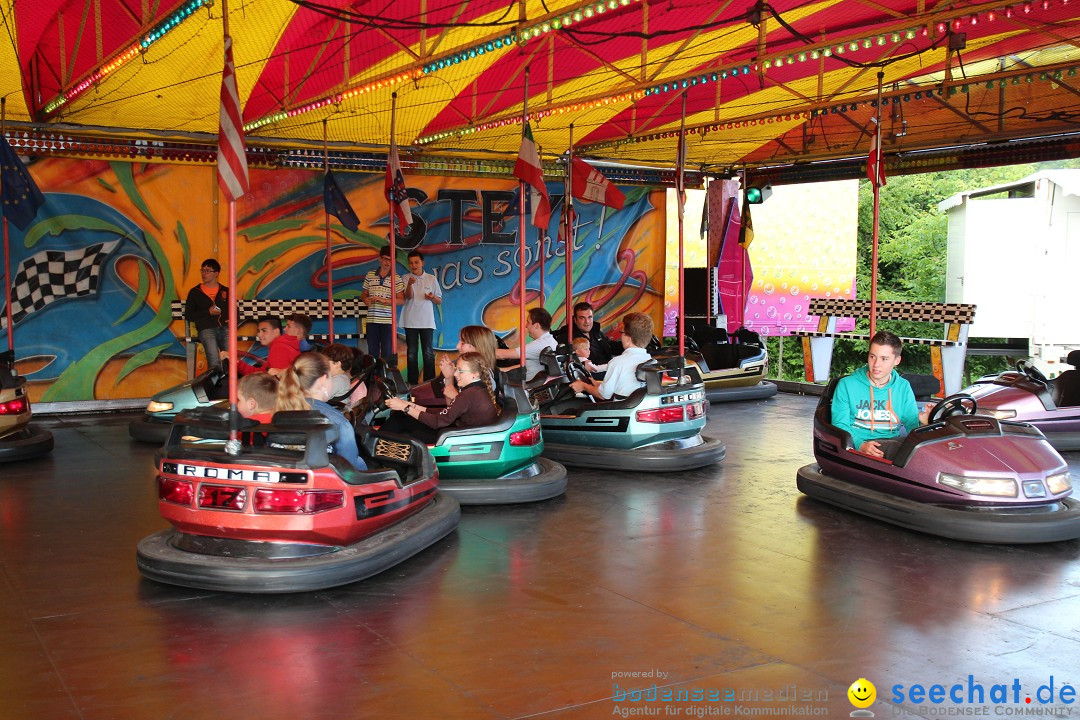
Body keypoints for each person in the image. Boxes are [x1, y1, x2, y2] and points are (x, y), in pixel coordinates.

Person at [831, 331, 932, 460]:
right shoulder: (847, 384)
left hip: (892, 441)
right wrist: (859, 444)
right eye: (873, 356)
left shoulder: (903, 386)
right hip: (861, 445)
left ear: (897, 360)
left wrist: (924, 424)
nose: (876, 364)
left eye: (884, 359)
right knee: (906, 452)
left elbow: (911, 423)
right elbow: (840, 424)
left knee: (924, 449)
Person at [384, 352, 499, 444]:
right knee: (403, 417)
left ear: (475, 374)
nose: (455, 374)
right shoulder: (477, 390)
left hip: (458, 438)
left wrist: (405, 407)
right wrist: (410, 405)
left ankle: (376, 454)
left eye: (460, 371)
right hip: (459, 432)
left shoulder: (470, 394)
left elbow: (438, 421)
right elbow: (446, 413)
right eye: (456, 370)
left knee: (402, 421)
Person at [276, 352, 366, 470]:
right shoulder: (338, 422)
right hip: (326, 484)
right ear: (323, 380)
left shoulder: (280, 413)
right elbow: (350, 470)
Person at [571, 312, 653, 401]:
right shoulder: (650, 361)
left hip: (620, 411)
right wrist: (597, 385)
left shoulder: (618, 362)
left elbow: (603, 395)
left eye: (622, 332)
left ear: (628, 339)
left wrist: (583, 386)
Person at [401, 250, 442, 385]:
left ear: (422, 263)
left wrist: (432, 297)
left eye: (416, 262)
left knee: (428, 352)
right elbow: (408, 296)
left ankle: (429, 383)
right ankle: (412, 383)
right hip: (410, 320)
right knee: (412, 353)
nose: (413, 265)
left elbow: (439, 300)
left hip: (427, 320)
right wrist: (410, 284)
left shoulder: (431, 278)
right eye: (411, 263)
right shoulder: (406, 277)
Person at [361, 245, 405, 362]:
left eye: (390, 259)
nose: (387, 262)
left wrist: (384, 301)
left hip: (388, 321)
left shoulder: (396, 278)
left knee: (387, 352)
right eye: (385, 258)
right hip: (372, 320)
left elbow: (401, 300)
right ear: (379, 258)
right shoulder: (370, 275)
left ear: (394, 261)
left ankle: (385, 378)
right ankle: (373, 379)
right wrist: (365, 299)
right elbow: (364, 294)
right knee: (372, 352)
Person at [220, 315, 301, 377]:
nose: (259, 334)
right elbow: (260, 373)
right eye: (258, 331)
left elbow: (275, 382)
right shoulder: (279, 346)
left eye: (264, 331)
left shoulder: (279, 348)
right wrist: (237, 362)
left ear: (276, 331)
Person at [185, 259, 229, 371]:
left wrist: (232, 321)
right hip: (206, 328)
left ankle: (231, 385)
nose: (204, 273)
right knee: (214, 360)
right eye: (202, 270)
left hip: (225, 327)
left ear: (216, 273)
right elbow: (189, 315)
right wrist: (207, 312)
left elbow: (235, 310)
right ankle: (216, 385)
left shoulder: (225, 291)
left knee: (230, 359)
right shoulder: (195, 292)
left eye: (208, 271)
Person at [494, 307, 556, 380]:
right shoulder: (550, 340)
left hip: (530, 386)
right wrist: (500, 370)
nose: (526, 326)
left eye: (528, 322)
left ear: (537, 326)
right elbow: (526, 365)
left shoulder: (540, 344)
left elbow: (502, 355)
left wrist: (479, 352)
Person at [552, 301, 617, 367]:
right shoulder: (567, 336)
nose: (587, 322)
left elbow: (609, 345)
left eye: (589, 317)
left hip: (608, 368)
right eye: (582, 318)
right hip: (590, 373)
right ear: (575, 320)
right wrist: (581, 364)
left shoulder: (595, 331)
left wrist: (626, 346)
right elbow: (562, 357)